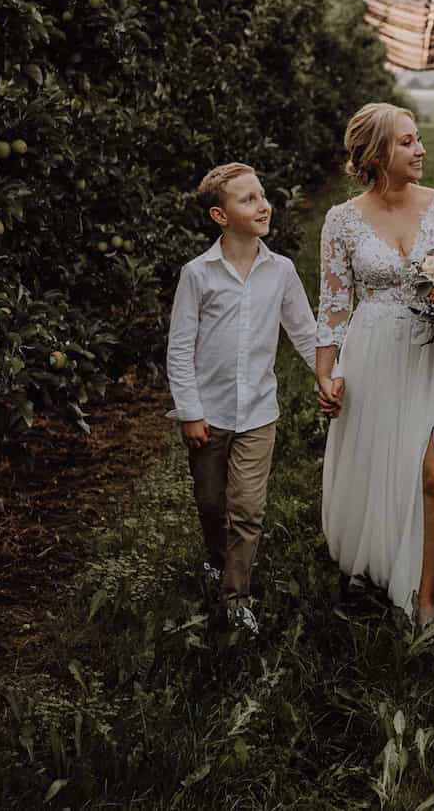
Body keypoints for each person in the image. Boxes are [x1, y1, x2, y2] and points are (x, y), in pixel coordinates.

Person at [317, 103, 434, 631]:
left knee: (432, 474)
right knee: (385, 466)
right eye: (408, 142)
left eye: (418, 140)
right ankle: (388, 563)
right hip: (373, 354)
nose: (421, 149)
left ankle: (428, 597)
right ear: (378, 153)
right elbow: (335, 304)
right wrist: (327, 372)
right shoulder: (341, 221)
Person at [165, 162, 333, 633]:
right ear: (221, 215)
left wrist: (329, 376)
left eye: (262, 195)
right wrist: (190, 412)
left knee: (248, 509)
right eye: (249, 199)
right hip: (209, 414)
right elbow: (180, 348)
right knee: (210, 502)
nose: (263, 205)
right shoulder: (198, 275)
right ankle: (216, 558)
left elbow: (304, 332)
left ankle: (236, 596)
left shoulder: (279, 271)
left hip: (259, 411)